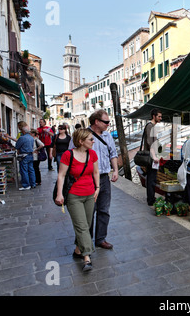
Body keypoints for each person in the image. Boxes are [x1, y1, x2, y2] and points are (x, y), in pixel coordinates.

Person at [70, 110, 119, 249]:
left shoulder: (107, 135)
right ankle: (85, 242)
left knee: (104, 209)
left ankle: (100, 238)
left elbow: (113, 153)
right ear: (96, 122)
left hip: (103, 177)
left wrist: (115, 170)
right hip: (86, 179)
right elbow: (71, 154)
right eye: (106, 122)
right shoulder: (83, 135)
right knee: (87, 213)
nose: (108, 124)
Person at [55, 129, 100, 272]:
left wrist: (97, 188)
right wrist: (59, 194)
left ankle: (77, 250)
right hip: (74, 196)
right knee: (81, 226)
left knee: (86, 225)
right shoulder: (68, 155)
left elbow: (96, 172)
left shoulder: (92, 154)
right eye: (90, 139)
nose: (93, 141)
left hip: (90, 195)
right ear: (81, 141)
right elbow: (61, 175)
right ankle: (87, 257)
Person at [143, 108, 162, 206]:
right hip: (151, 157)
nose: (160, 118)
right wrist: (154, 156)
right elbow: (150, 143)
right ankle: (150, 199)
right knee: (151, 178)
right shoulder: (150, 126)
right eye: (159, 116)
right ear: (154, 116)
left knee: (152, 178)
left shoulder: (153, 127)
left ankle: (151, 197)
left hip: (152, 156)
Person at [15, 126, 36, 190]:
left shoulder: (22, 138)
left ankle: (26, 185)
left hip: (24, 155)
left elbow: (17, 146)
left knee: (24, 170)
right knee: (31, 170)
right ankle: (33, 183)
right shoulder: (31, 138)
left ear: (23, 131)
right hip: (30, 155)